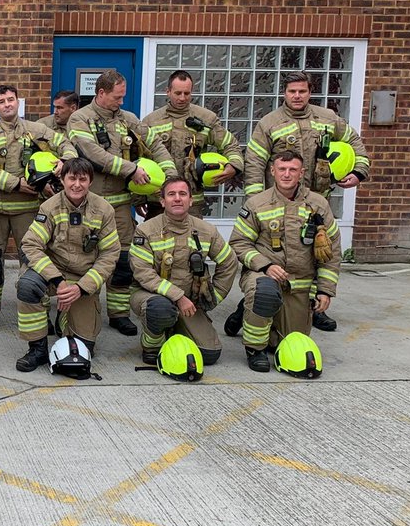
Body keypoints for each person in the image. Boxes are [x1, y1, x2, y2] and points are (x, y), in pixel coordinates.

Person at [239, 71, 368, 332]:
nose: (297, 96)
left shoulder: (328, 118)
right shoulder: (269, 123)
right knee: (278, 256)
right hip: (278, 204)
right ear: (284, 93)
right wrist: (256, 203)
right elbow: (254, 163)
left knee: (312, 254)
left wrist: (359, 171)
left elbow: (354, 141)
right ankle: (250, 306)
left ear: (310, 92)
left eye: (302, 91)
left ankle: (314, 305)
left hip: (316, 203)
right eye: (291, 91)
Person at [68, 70, 174, 335]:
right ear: (101, 93)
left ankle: (118, 313)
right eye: (117, 97)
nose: (121, 102)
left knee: (123, 260)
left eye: (123, 97)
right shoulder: (80, 118)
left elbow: (155, 145)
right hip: (90, 205)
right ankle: (80, 310)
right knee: (83, 257)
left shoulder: (129, 120)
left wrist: (171, 176)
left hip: (120, 207)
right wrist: (130, 169)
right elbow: (93, 153)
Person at [0, 84, 75, 334]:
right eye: (2, 101)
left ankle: (38, 312)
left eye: (11, 99)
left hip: (28, 210)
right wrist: (16, 183)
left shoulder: (37, 130)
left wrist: (64, 163)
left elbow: (67, 145)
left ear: (18, 102)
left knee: (33, 263)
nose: (7, 104)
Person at [228, 150, 341, 371]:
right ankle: (254, 349)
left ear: (302, 173)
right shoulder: (256, 204)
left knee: (284, 342)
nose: (287, 174)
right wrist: (266, 265)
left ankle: (245, 310)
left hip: (299, 281)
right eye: (282, 169)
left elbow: (332, 250)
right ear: (272, 171)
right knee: (264, 293)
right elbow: (239, 243)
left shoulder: (319, 205)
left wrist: (325, 290)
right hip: (263, 275)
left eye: (293, 170)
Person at [14, 157, 120, 372]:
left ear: (90, 181)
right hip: (54, 274)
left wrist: (82, 287)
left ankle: (65, 318)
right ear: (62, 180)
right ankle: (37, 348)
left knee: (85, 347)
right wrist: (57, 280)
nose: (77, 184)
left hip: (83, 278)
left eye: (83, 179)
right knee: (27, 285)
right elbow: (31, 245)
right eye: (72, 178)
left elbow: (110, 253)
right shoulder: (50, 206)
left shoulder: (104, 209)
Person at [129, 176, 239, 366]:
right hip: (150, 296)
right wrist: (178, 297)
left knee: (209, 354)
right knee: (160, 310)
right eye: (171, 194)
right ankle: (152, 344)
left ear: (191, 200)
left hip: (190, 303)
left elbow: (229, 262)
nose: (177, 198)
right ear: (162, 201)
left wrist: (213, 298)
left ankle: (176, 328)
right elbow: (143, 273)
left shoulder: (207, 231)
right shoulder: (145, 231)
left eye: (182, 194)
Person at [141, 70, 242, 217]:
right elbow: (138, 158)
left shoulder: (206, 119)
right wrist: (138, 199)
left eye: (187, 93)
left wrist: (234, 165)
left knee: (192, 239)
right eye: (178, 93)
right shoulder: (150, 121)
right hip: (158, 200)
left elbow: (230, 144)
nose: (182, 98)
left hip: (192, 201)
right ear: (168, 92)